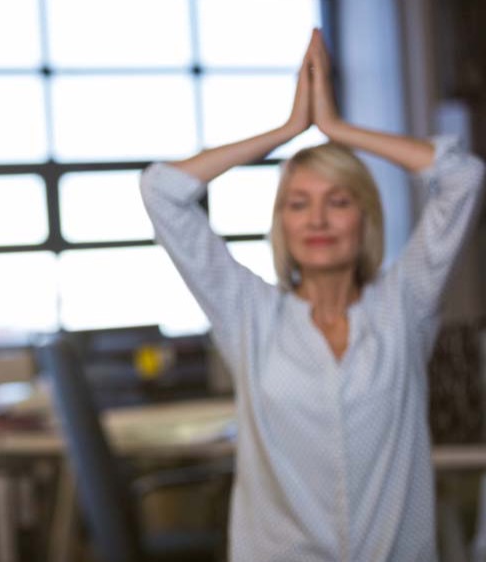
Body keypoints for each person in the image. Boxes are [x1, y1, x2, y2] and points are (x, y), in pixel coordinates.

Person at [139, 30, 484, 561]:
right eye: (298, 204)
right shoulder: (247, 313)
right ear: (281, 224)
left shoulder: (403, 305)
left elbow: (463, 177)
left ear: (364, 216)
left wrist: (339, 129)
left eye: (337, 200)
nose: (318, 219)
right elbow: (162, 190)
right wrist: (288, 130)